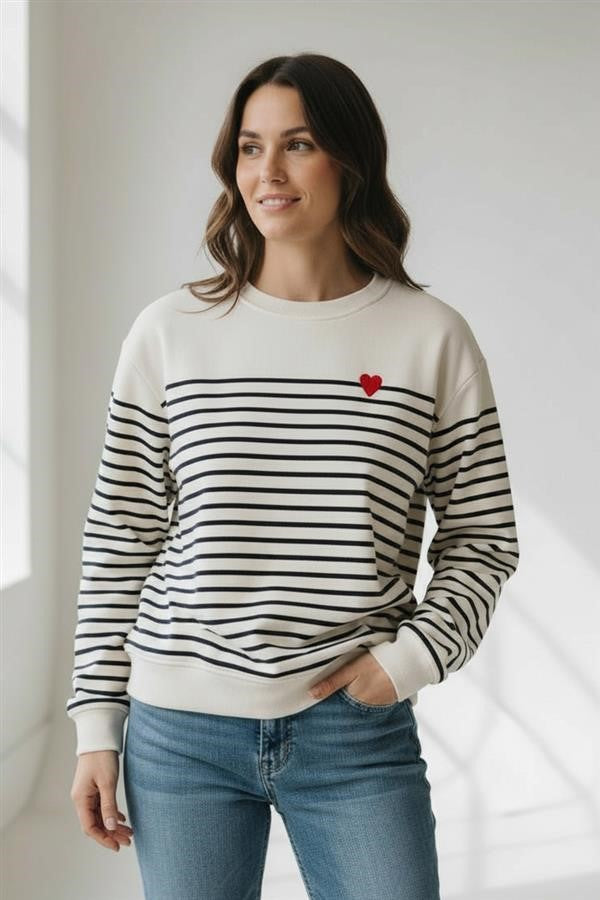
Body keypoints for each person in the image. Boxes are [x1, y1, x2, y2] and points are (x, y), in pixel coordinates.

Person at [68, 53, 520, 900]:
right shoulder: (169, 332)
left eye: (298, 144)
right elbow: (120, 535)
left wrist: (411, 661)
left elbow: (482, 537)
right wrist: (97, 724)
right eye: (250, 147)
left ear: (351, 160)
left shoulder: (431, 337)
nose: (267, 171)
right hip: (180, 733)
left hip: (355, 733)